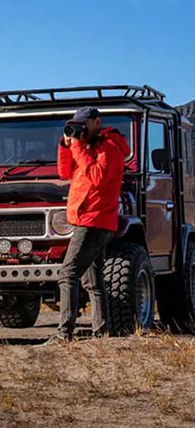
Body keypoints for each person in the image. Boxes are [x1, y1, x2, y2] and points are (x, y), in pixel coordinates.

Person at [46, 106, 130, 344]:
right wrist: (65, 146)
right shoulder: (88, 147)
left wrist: (77, 146)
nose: (80, 128)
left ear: (96, 122)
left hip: (94, 220)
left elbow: (97, 177)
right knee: (92, 280)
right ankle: (101, 332)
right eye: (76, 124)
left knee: (67, 274)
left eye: (84, 124)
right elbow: (65, 172)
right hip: (88, 218)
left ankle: (64, 333)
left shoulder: (110, 148)